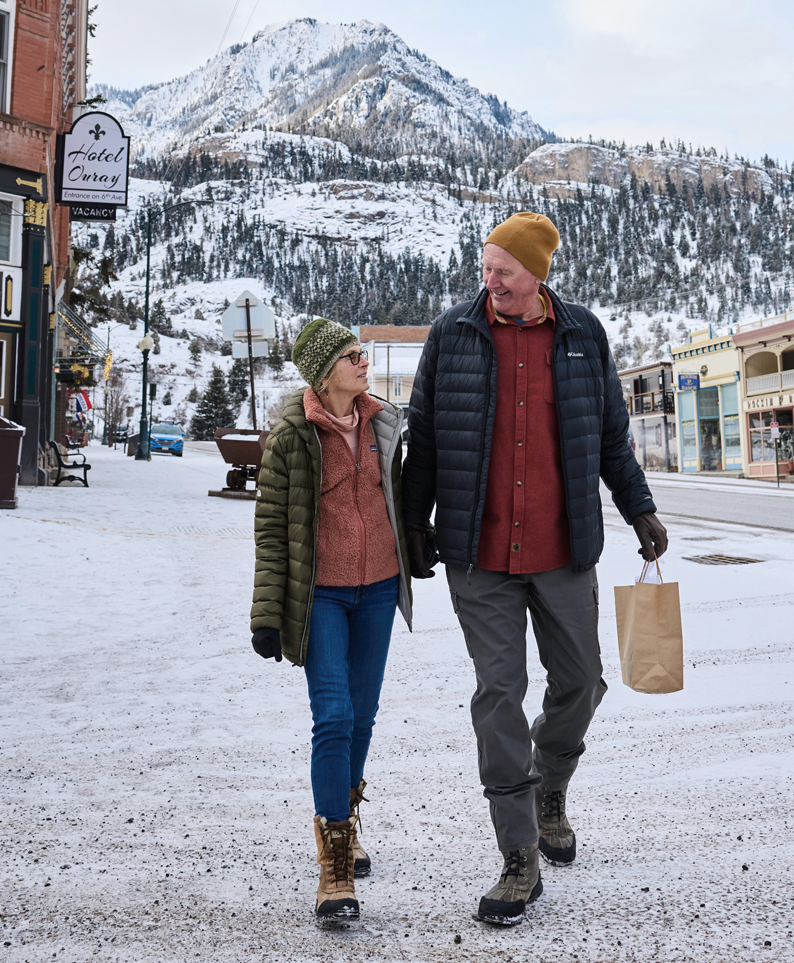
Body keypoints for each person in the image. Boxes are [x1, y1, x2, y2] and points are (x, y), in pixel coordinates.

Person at [402, 212, 668, 925]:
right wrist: (412, 524)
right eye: (485, 270)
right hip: (478, 554)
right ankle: (518, 854)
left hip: (562, 547)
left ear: (538, 276)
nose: (490, 285)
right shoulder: (452, 335)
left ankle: (550, 786)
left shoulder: (582, 335)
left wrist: (639, 508)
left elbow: (610, 433)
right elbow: (423, 437)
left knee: (581, 681)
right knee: (499, 693)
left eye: (504, 275)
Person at [249, 318, 415, 921]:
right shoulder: (293, 434)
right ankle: (336, 868)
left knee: (363, 718)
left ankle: (345, 820)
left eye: (362, 353)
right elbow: (272, 530)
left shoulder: (382, 423)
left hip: (377, 592)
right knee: (335, 715)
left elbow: (401, 498)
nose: (363, 362)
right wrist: (267, 614)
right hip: (321, 595)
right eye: (351, 356)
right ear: (324, 372)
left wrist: (417, 550)